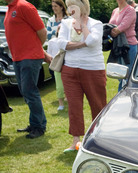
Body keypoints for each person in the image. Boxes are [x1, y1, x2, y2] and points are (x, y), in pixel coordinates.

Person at [56, 0, 107, 152]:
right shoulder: (66, 24)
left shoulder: (95, 23)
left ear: (83, 6)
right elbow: (61, 43)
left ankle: (98, 138)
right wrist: (82, 44)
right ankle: (76, 141)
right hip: (70, 70)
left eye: (74, 5)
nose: (70, 9)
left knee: (98, 104)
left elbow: (92, 41)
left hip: (93, 69)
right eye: (69, 6)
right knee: (74, 106)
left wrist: (82, 24)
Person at [4, 0, 51, 139]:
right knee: (25, 91)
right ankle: (35, 123)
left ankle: (39, 127)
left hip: (29, 57)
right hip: (18, 58)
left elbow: (42, 31)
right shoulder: (9, 8)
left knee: (30, 91)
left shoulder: (23, 6)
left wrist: (36, 48)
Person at [109, 0, 138, 90]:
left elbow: (123, 26)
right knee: (119, 75)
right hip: (117, 46)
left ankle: (126, 96)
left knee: (128, 76)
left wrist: (114, 31)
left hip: (128, 46)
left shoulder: (130, 10)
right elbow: (110, 26)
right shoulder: (115, 11)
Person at [47, 0, 68, 111]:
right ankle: (61, 95)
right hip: (55, 50)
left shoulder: (68, 20)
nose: (54, 8)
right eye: (52, 6)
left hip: (66, 51)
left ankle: (67, 95)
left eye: (55, 6)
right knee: (58, 77)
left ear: (61, 7)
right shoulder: (50, 20)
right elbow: (49, 35)